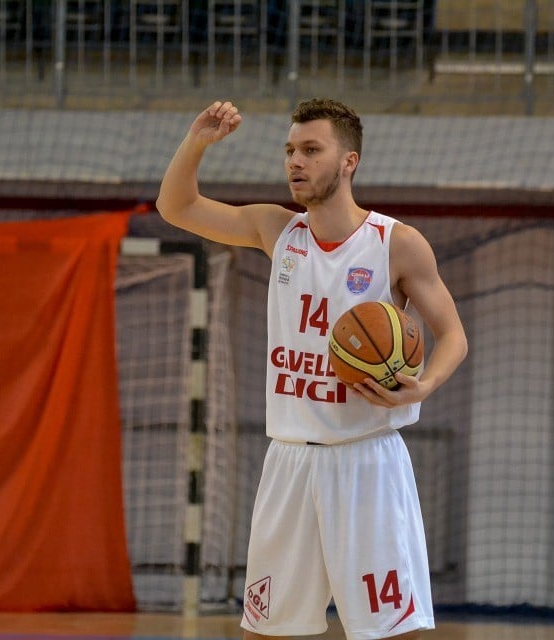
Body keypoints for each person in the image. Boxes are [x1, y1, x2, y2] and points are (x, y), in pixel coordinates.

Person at [156, 99, 468, 640]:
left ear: (349, 161)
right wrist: (197, 143)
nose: (295, 162)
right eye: (290, 151)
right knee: (265, 632)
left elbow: (454, 336)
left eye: (311, 150)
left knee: (394, 632)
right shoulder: (275, 230)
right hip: (290, 461)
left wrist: (425, 384)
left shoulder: (397, 244)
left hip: (367, 460)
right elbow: (176, 206)